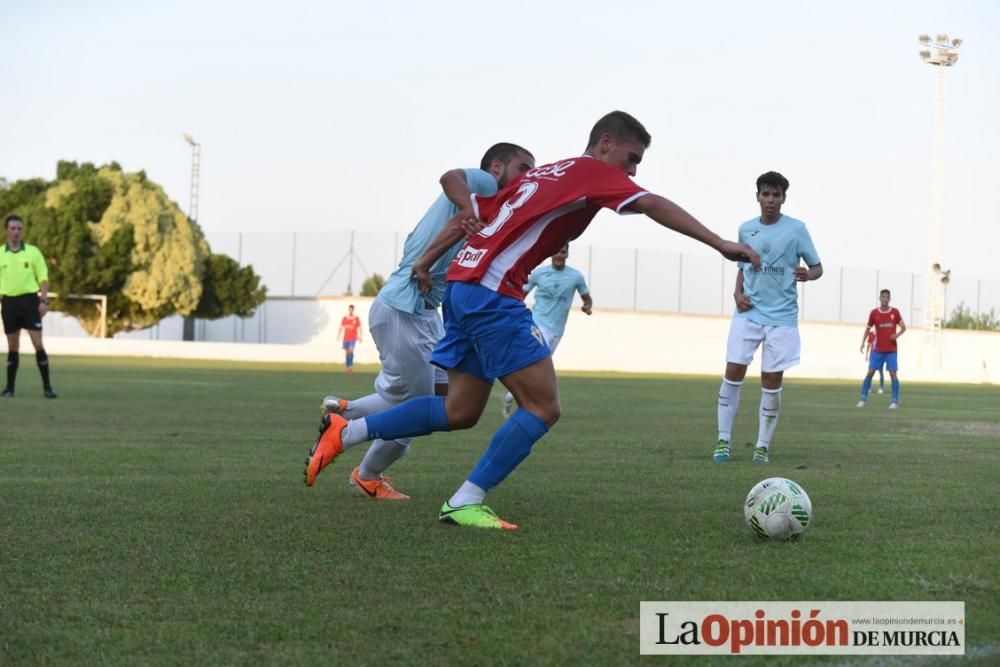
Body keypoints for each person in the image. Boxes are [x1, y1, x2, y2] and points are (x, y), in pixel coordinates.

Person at [303, 110, 759, 530]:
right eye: (632, 158)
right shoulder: (591, 172)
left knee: (458, 411)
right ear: (605, 143)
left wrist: (427, 261)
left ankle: (350, 431)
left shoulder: (543, 173)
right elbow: (651, 203)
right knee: (543, 407)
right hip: (491, 294)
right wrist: (720, 243)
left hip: (462, 287)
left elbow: (476, 215)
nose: (633, 171)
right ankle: (466, 499)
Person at [320, 142, 535, 500]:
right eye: (523, 168)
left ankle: (347, 411)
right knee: (414, 414)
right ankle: (366, 475)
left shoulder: (494, 210)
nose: (528, 177)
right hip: (403, 309)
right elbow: (450, 176)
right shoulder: (484, 185)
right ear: (497, 167)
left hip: (422, 314)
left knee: (445, 393)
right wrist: (468, 206)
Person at [712, 172, 822, 465]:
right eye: (765, 194)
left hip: (782, 318)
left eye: (776, 195)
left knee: (771, 381)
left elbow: (817, 267)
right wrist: (737, 293)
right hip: (748, 314)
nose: (770, 200)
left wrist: (807, 275)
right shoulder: (746, 229)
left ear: (784, 198)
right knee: (733, 373)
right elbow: (741, 266)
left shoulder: (797, 229)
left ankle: (762, 446)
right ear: (758, 196)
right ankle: (723, 440)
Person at [501, 243, 592, 417]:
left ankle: (513, 394)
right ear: (551, 253)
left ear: (567, 254)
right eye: (556, 251)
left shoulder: (576, 277)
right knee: (534, 362)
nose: (559, 255)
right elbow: (521, 294)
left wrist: (587, 307)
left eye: (563, 252)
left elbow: (586, 298)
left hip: (557, 330)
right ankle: (526, 401)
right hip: (537, 323)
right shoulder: (539, 274)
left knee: (538, 366)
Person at [1, 215, 57, 398]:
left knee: (38, 343)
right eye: (12, 228)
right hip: (9, 302)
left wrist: (43, 300)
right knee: (13, 345)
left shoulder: (33, 252)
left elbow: (43, 277)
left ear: (22, 231)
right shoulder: (1, 254)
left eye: (19, 228)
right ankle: (10, 389)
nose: (16, 232)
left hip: (30, 302)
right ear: (6, 230)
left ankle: (47, 388)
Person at [857, 289, 905, 409]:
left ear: (889, 299)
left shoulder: (895, 312)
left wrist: (897, 335)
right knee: (870, 372)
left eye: (887, 297)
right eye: (883, 297)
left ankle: (894, 401)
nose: (885, 299)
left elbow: (904, 327)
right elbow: (868, 329)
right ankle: (863, 399)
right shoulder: (874, 313)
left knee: (893, 374)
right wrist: (863, 342)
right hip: (877, 350)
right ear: (880, 298)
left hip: (891, 350)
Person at [337, 305, 362, 374]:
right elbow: (341, 327)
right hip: (345, 338)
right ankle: (348, 367)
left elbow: (359, 328)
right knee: (347, 353)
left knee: (351, 351)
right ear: (349, 310)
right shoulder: (345, 318)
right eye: (350, 309)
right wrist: (338, 335)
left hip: (353, 337)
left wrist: (360, 337)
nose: (351, 310)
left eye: (352, 309)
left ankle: (350, 367)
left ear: (353, 310)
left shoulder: (356, 318)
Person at [863, 325, 885, 394]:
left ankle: (881, 388)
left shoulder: (882, 334)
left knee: (880, 371)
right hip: (873, 355)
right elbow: (869, 345)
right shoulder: (871, 334)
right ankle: (869, 388)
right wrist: (866, 355)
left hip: (880, 354)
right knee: (870, 372)